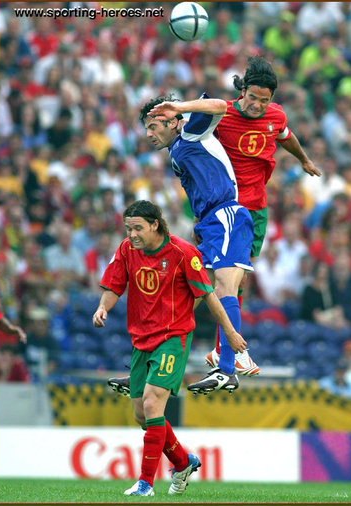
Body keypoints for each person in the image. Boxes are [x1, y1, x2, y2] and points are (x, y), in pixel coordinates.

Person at [156, 55, 321, 369]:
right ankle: (226, 353)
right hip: (227, 209)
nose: (257, 105)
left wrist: (303, 159)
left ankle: (223, 351)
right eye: (252, 97)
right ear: (242, 91)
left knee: (238, 282)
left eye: (264, 100)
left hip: (257, 209)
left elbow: (286, 136)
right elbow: (198, 160)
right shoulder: (223, 116)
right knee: (221, 283)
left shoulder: (276, 116)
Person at [93, 200, 246, 496]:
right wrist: (103, 308)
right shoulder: (127, 250)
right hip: (141, 341)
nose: (132, 234)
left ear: (155, 225)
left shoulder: (183, 254)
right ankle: (182, 461)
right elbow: (114, 285)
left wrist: (230, 333)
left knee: (152, 404)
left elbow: (210, 296)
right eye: (128, 228)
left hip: (173, 338)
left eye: (137, 228)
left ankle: (145, 484)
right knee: (143, 416)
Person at [143, 93, 260, 390]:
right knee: (191, 293)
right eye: (146, 127)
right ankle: (149, 358)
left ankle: (228, 366)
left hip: (226, 216)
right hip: (209, 225)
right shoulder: (176, 150)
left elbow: (219, 105)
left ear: (172, 121)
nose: (149, 133)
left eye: (154, 126)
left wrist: (179, 106)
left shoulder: (192, 131)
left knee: (224, 287)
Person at [0, 240, 27, 348]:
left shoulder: (7, 280)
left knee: (14, 312)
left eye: (3, 264)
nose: (1, 267)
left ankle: (14, 340)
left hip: (6, 304)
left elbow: (11, 295)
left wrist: (15, 303)